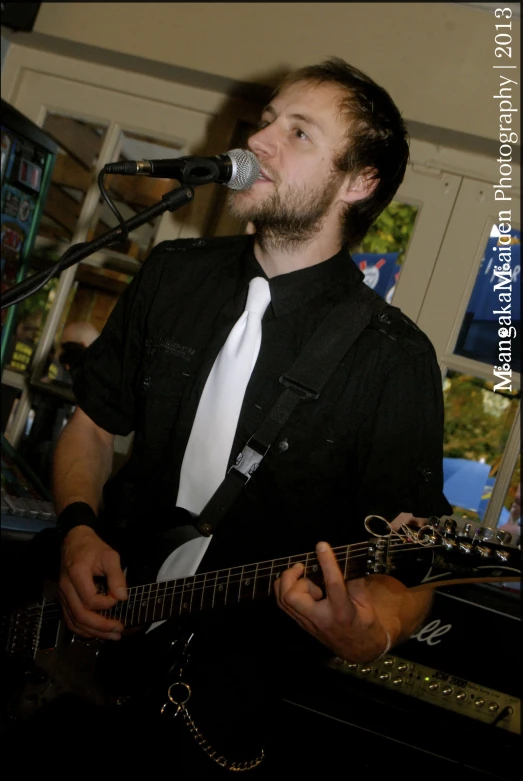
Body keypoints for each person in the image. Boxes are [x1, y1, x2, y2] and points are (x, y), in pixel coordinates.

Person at [39, 58, 452, 775]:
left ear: (357, 182)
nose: (259, 139)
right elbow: (94, 424)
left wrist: (370, 633)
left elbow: (414, 558)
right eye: (266, 120)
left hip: (220, 707)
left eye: (297, 132)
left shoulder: (391, 358)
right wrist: (78, 529)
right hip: (84, 665)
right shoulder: (174, 275)